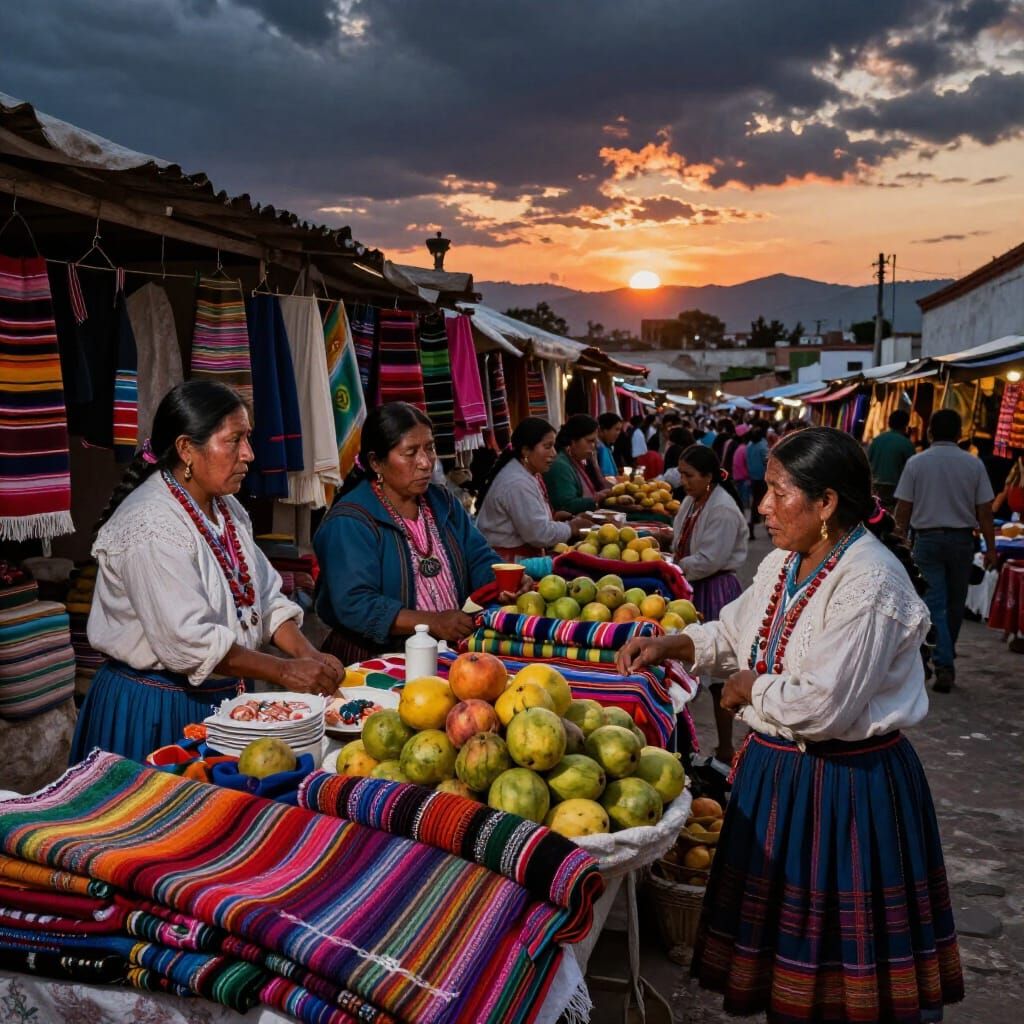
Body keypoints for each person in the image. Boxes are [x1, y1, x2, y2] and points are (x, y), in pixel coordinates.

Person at [618, 426, 963, 1023]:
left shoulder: (870, 581)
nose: (763, 505)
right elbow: (733, 631)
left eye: (778, 492)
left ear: (826, 502)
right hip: (781, 780)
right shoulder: (783, 562)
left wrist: (752, 688)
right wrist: (672, 643)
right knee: (790, 965)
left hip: (846, 789)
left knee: (841, 965)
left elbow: (825, 705)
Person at [72, 381, 344, 763]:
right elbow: (189, 642)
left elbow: (262, 597)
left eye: (247, 438)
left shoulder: (227, 510)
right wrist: (285, 671)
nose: (248, 454)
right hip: (157, 709)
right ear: (186, 449)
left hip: (221, 701)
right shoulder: (151, 525)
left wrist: (309, 655)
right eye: (234, 440)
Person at [314, 402, 519, 662]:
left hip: (449, 653)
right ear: (376, 462)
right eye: (410, 452)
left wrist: (499, 584)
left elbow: (478, 556)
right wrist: (431, 622)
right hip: (377, 660)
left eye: (429, 448)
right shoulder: (350, 521)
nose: (425, 463)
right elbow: (355, 603)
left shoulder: (442, 502)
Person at [894, 408, 997, 693]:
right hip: (963, 542)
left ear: (929, 432)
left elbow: (903, 508)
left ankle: (941, 659)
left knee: (935, 603)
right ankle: (944, 661)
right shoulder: (973, 464)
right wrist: (991, 548)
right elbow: (985, 511)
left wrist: (897, 541)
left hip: (927, 541)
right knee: (954, 604)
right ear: (960, 433)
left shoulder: (916, 463)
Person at [671, 445, 748, 763]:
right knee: (688, 665)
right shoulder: (692, 501)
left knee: (718, 675)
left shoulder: (724, 509)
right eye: (682, 475)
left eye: (689, 475)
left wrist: (673, 566)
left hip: (714, 587)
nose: (684, 481)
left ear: (708, 477)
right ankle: (688, 739)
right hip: (693, 585)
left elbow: (709, 560)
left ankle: (727, 746)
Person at [476, 417, 593, 560]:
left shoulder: (526, 473)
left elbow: (530, 521)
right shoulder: (517, 482)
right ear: (526, 451)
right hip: (508, 565)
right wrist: (572, 528)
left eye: (554, 446)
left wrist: (554, 518)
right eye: (548, 446)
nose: (554, 453)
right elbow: (539, 534)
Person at [544, 414, 610, 514]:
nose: (594, 446)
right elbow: (566, 505)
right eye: (590, 441)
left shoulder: (577, 460)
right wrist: (596, 498)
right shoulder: (560, 466)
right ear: (573, 441)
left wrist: (595, 466)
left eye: (595, 441)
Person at [868, 408, 916, 509]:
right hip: (895, 490)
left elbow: (867, 462)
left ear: (889, 423)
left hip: (875, 486)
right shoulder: (907, 444)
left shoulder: (877, 440)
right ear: (906, 425)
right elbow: (913, 471)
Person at [745, 425, 770, 539]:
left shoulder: (749, 446)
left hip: (753, 478)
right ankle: (769, 529)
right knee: (766, 502)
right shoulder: (762, 447)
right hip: (762, 479)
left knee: (755, 502)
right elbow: (767, 461)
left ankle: (751, 527)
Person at [595, 412, 623, 479]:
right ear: (603, 430)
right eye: (616, 429)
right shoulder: (598, 448)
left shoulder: (605, 446)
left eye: (619, 430)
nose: (618, 433)